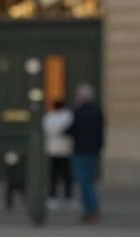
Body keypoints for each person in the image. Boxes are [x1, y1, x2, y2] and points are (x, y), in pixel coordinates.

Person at [67, 83, 104, 223]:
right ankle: (92, 209)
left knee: (84, 183)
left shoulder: (79, 112)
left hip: (81, 150)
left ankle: (90, 210)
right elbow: (100, 132)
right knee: (88, 181)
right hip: (93, 151)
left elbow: (71, 130)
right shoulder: (97, 111)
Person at [43, 98, 74, 208]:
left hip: (54, 150)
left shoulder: (49, 117)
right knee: (66, 175)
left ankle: (53, 196)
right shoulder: (68, 116)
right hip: (65, 149)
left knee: (54, 175)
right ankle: (67, 196)